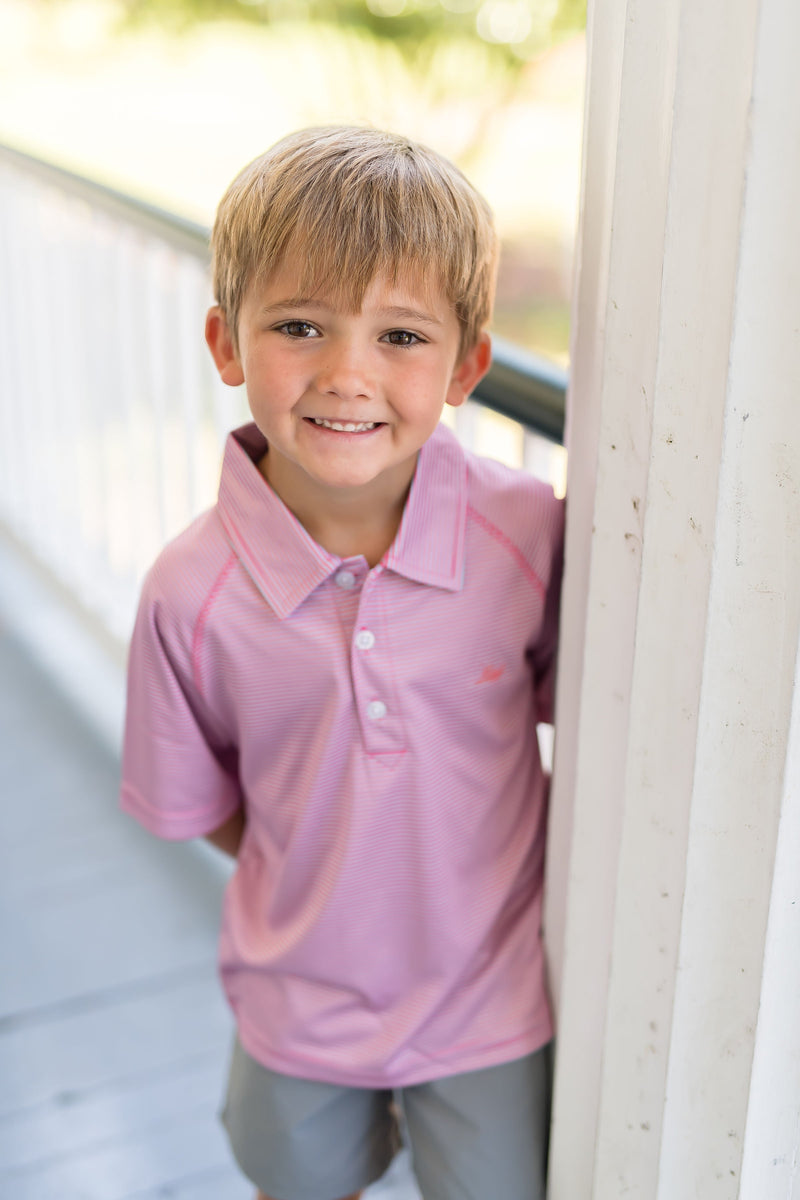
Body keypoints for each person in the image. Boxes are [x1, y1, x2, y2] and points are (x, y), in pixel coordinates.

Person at [120, 125, 564, 1200]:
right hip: (299, 999)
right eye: (300, 325)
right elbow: (207, 806)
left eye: (401, 336)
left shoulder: (529, 536)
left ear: (466, 366)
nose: (346, 373)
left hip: (494, 998)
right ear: (227, 346)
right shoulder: (191, 592)